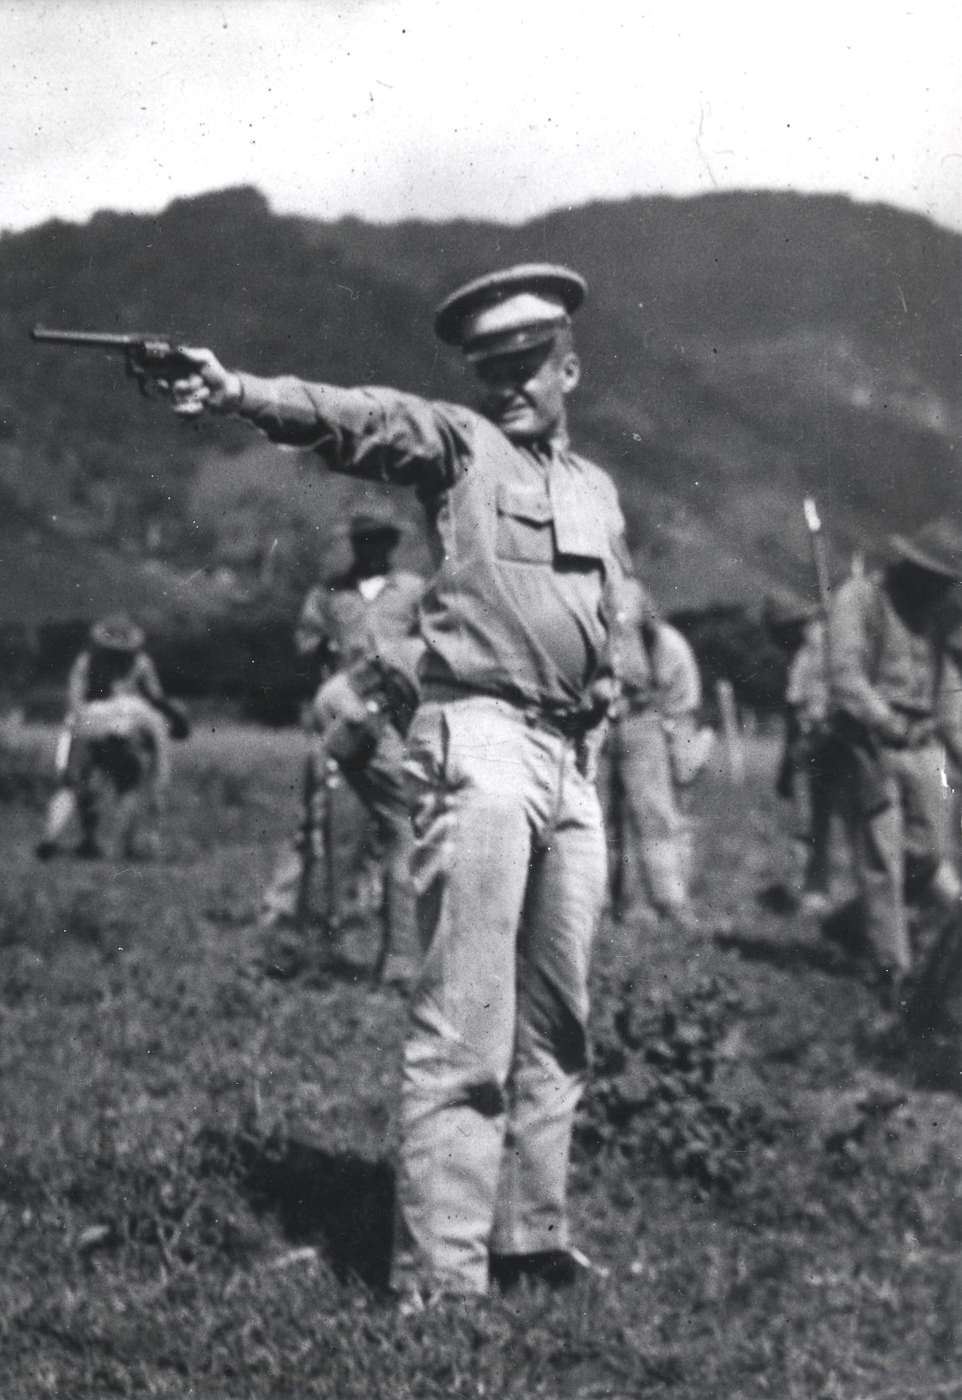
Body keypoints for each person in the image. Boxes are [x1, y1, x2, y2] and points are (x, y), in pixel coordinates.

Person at [148, 262, 627, 1302]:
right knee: (465, 1019)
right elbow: (359, 418)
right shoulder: (459, 445)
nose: (507, 381)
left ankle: (530, 1238)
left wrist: (610, 702)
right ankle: (444, 1282)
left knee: (559, 1018)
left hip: (572, 757)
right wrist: (237, 391)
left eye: (526, 364)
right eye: (488, 366)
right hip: (484, 738)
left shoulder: (596, 490)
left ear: (568, 366)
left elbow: (609, 615)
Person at [258, 507, 425, 980]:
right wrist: (326, 652)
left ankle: (365, 911)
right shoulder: (330, 592)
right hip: (342, 702)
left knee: (391, 820)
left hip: (393, 709)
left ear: (391, 544)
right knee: (321, 813)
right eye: (364, 541)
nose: (372, 549)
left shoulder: (412, 590)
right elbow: (305, 641)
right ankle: (294, 911)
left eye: (380, 541)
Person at [828, 520, 962, 991]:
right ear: (911, 566)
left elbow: (945, 688)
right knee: (882, 858)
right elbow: (845, 678)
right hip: (870, 743)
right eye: (935, 577)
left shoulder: (933, 615)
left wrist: (955, 745)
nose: (941, 589)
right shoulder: (859, 600)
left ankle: (852, 921)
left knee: (931, 852)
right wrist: (886, 722)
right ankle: (893, 971)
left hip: (921, 744)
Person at [36, 614, 187, 861]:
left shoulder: (87, 661)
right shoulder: (140, 662)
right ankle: (121, 847)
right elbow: (155, 697)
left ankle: (59, 838)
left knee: (74, 785)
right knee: (128, 785)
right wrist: (174, 718)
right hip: (125, 728)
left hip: (86, 724)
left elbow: (74, 701)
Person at [606, 576, 708, 926]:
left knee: (654, 816)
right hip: (601, 721)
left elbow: (682, 704)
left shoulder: (668, 646)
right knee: (603, 818)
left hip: (644, 723)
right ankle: (614, 902)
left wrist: (680, 749)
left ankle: (668, 901)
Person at [767, 595, 845, 913]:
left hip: (824, 744)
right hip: (813, 746)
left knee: (818, 823)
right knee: (813, 822)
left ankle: (817, 891)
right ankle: (814, 890)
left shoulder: (821, 649)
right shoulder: (807, 653)